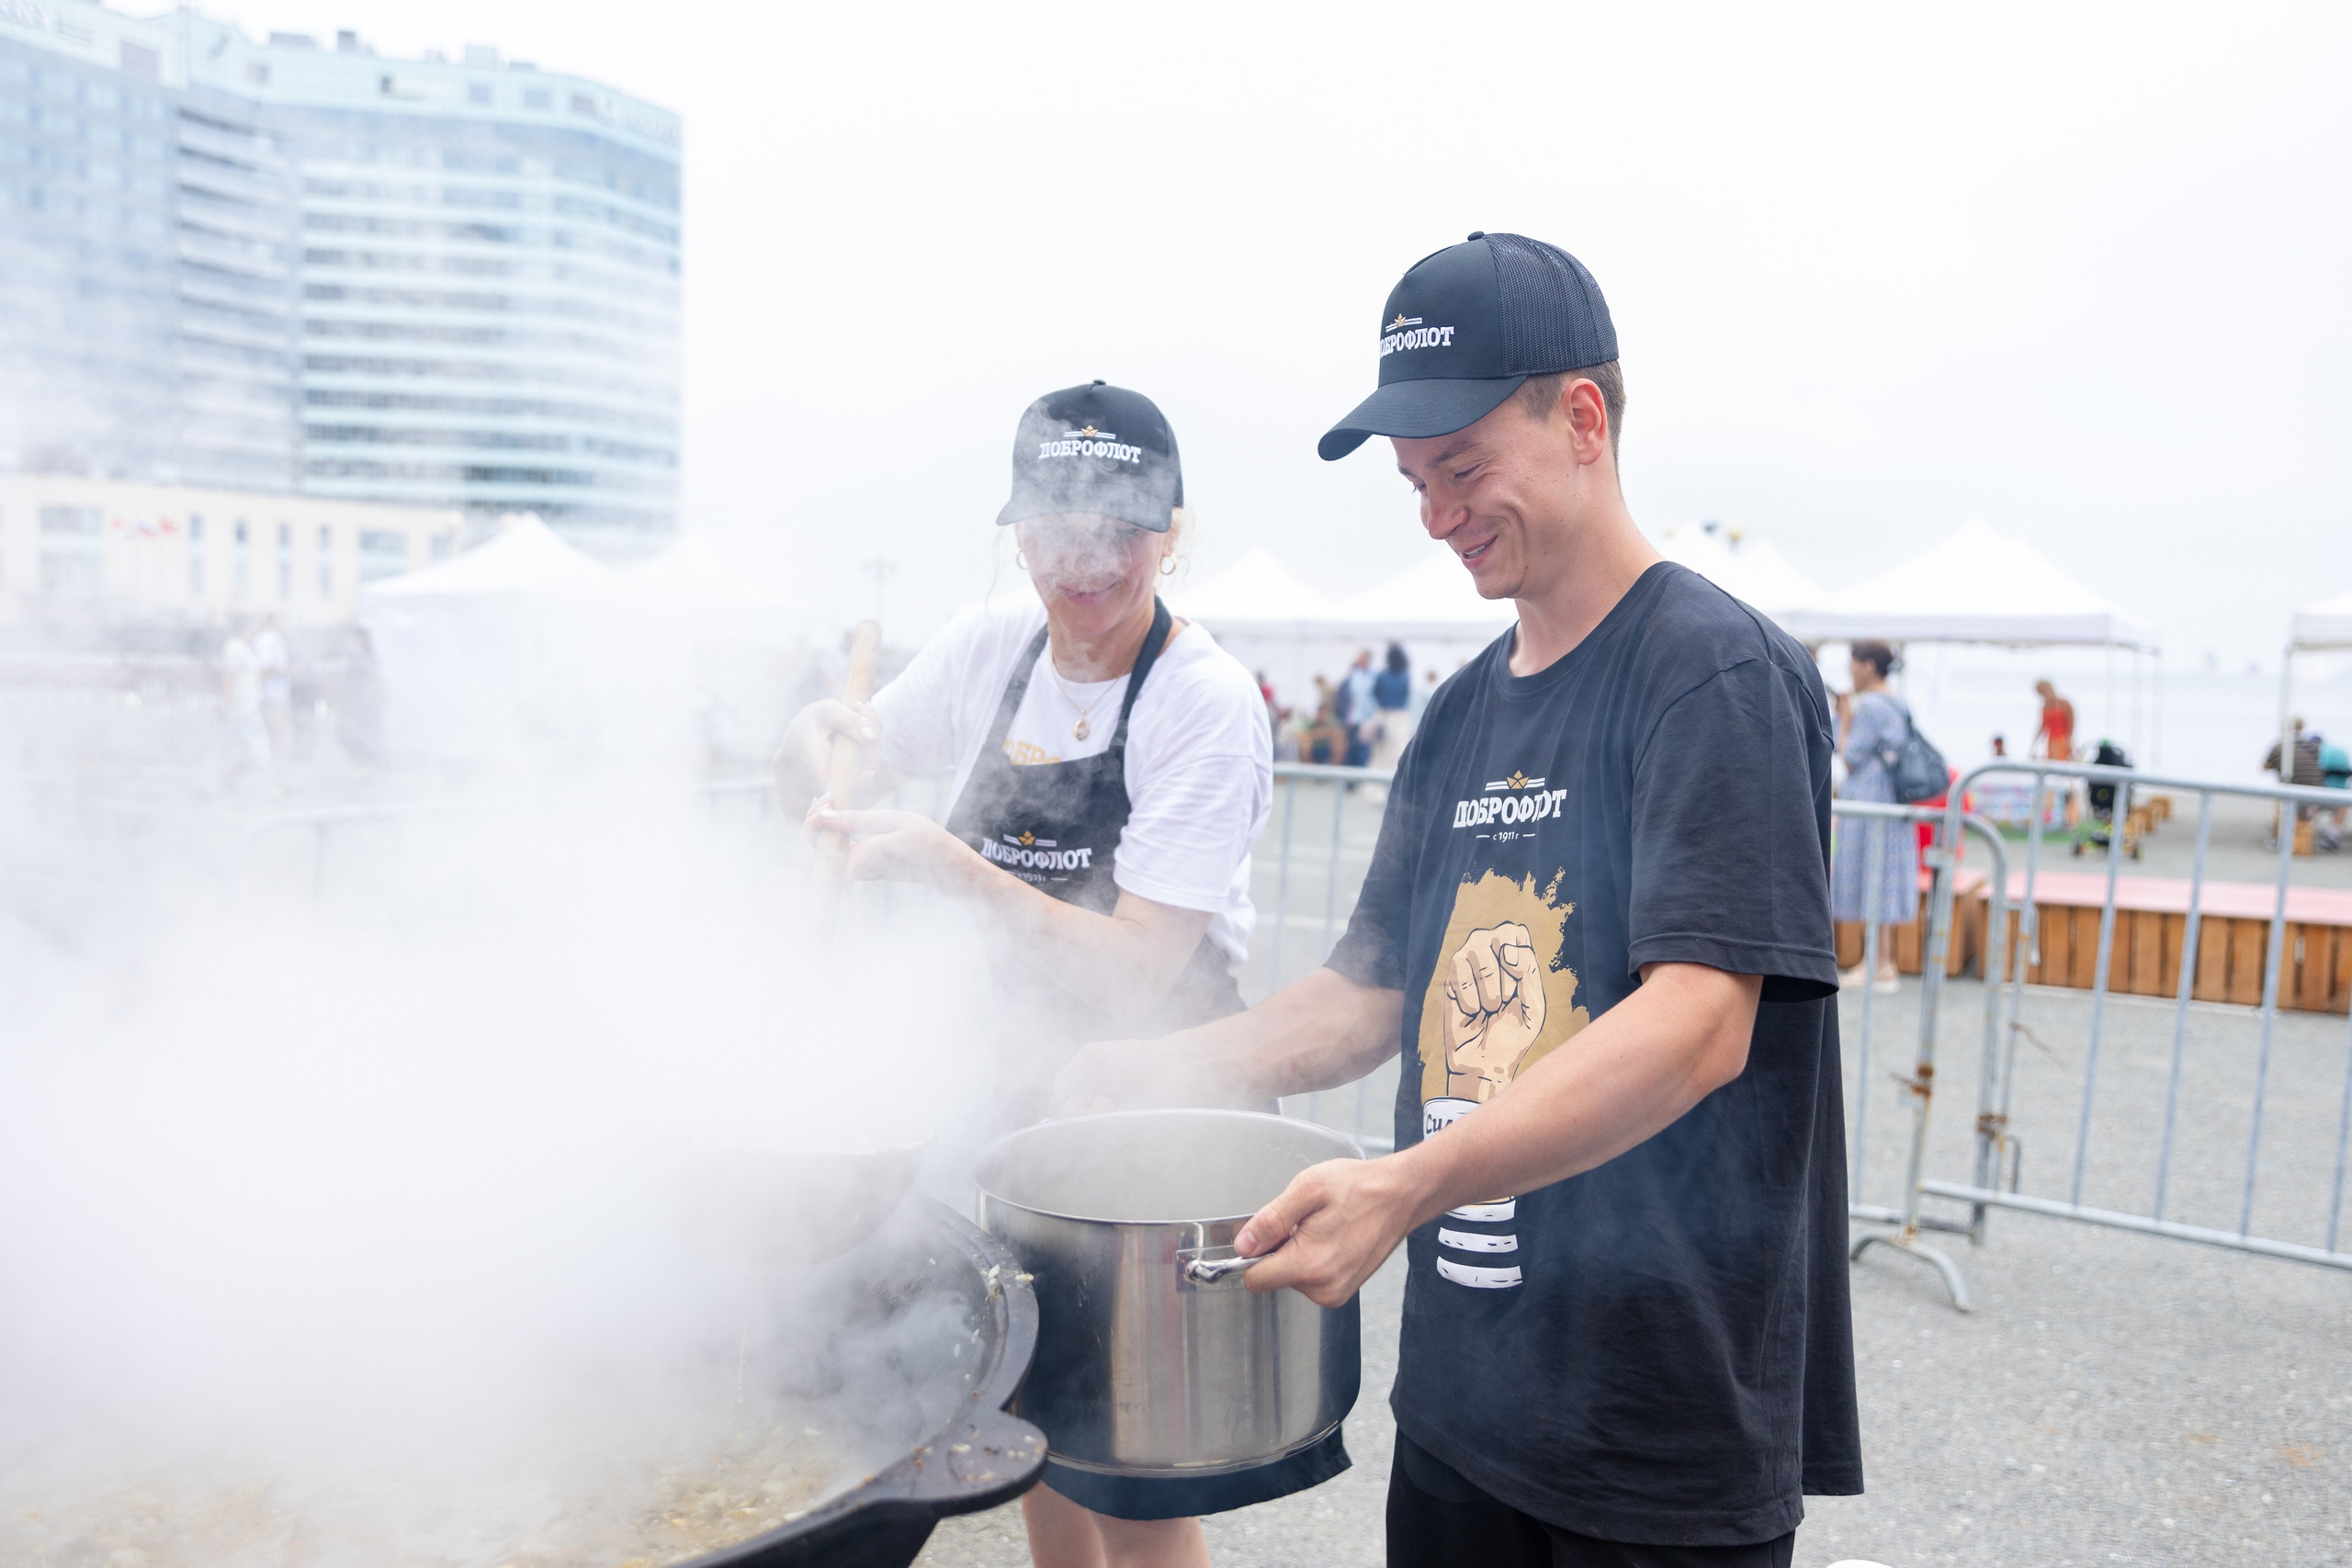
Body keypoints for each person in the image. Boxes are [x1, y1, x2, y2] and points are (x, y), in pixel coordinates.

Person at [1057, 232, 1858, 1568]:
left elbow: (1701, 1022)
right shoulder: (1460, 713)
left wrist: (1405, 1183)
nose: (1437, 515)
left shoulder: (1713, 674)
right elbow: (1369, 992)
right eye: (1415, 482)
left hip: (1658, 1422)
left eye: (1464, 467)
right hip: (1464, 1404)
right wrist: (1153, 1068)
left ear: (1583, 420)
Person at [775, 381, 1319, 1568]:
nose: (1087, 564)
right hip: (1014, 1087)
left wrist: (949, 865)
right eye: (1059, 529)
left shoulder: (1203, 701)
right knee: (1028, 1423)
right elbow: (838, 770)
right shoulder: (986, 648)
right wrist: (813, 742)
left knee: (1127, 1472)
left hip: (1150, 1101)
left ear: (1170, 534)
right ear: (1018, 534)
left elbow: (1134, 972)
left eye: (1120, 530)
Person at [1833, 640, 1920, 993]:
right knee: (1883, 876)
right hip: (1891, 797)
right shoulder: (1898, 700)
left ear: (1868, 666)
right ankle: (1881, 961)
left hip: (1869, 796)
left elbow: (1850, 754)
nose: (1850, 671)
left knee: (1869, 873)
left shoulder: (1870, 704)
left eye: (1853, 664)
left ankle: (1877, 964)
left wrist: (1845, 718)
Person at [198, 619, 280, 796]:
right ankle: (270, 785)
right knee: (259, 745)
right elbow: (230, 678)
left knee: (222, 747)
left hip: (242, 706)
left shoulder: (240, 648)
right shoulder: (234, 649)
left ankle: (206, 783)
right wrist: (224, 704)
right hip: (243, 707)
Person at [1369, 641, 1414, 773]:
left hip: (1383, 715)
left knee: (1380, 752)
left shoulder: (1382, 675)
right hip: (1400, 716)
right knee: (1398, 751)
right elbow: (1406, 694)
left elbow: (1375, 693)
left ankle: (1375, 782)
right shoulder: (1405, 676)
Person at [1339, 648, 1378, 767]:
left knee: (1364, 750)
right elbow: (1350, 698)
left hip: (1368, 720)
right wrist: (1347, 716)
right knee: (1351, 750)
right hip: (1354, 719)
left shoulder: (1374, 676)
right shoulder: (1354, 676)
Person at [2031, 679, 2075, 762]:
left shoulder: (2064, 703)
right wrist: (2033, 745)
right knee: (2051, 762)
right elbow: (2042, 726)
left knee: (2063, 762)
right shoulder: (2045, 707)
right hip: (2051, 741)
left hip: (2063, 741)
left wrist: (2068, 741)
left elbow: (2071, 723)